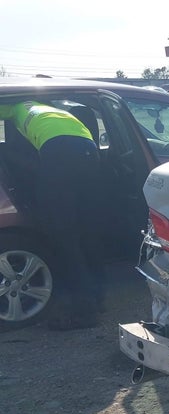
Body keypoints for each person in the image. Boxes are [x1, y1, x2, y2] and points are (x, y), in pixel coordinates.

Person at [0, 101, 102, 330]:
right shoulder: (55, 109)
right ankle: (98, 297)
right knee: (86, 229)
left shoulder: (16, 105)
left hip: (58, 151)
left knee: (63, 234)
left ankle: (84, 311)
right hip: (89, 149)